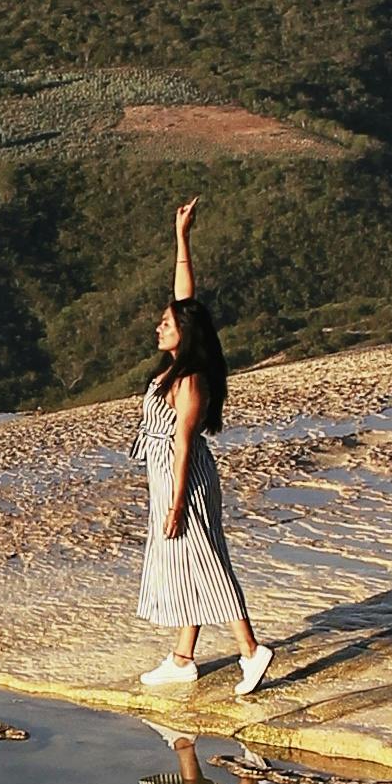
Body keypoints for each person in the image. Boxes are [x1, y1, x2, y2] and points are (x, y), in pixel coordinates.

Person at [136, 197, 274, 698]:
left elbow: (182, 445)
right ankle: (182, 657)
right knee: (189, 563)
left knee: (206, 559)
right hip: (169, 475)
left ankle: (251, 651)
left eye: (166, 325)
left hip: (184, 479)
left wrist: (173, 506)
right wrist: (182, 238)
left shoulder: (191, 382)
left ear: (183, 335)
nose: (159, 326)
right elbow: (185, 299)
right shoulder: (179, 364)